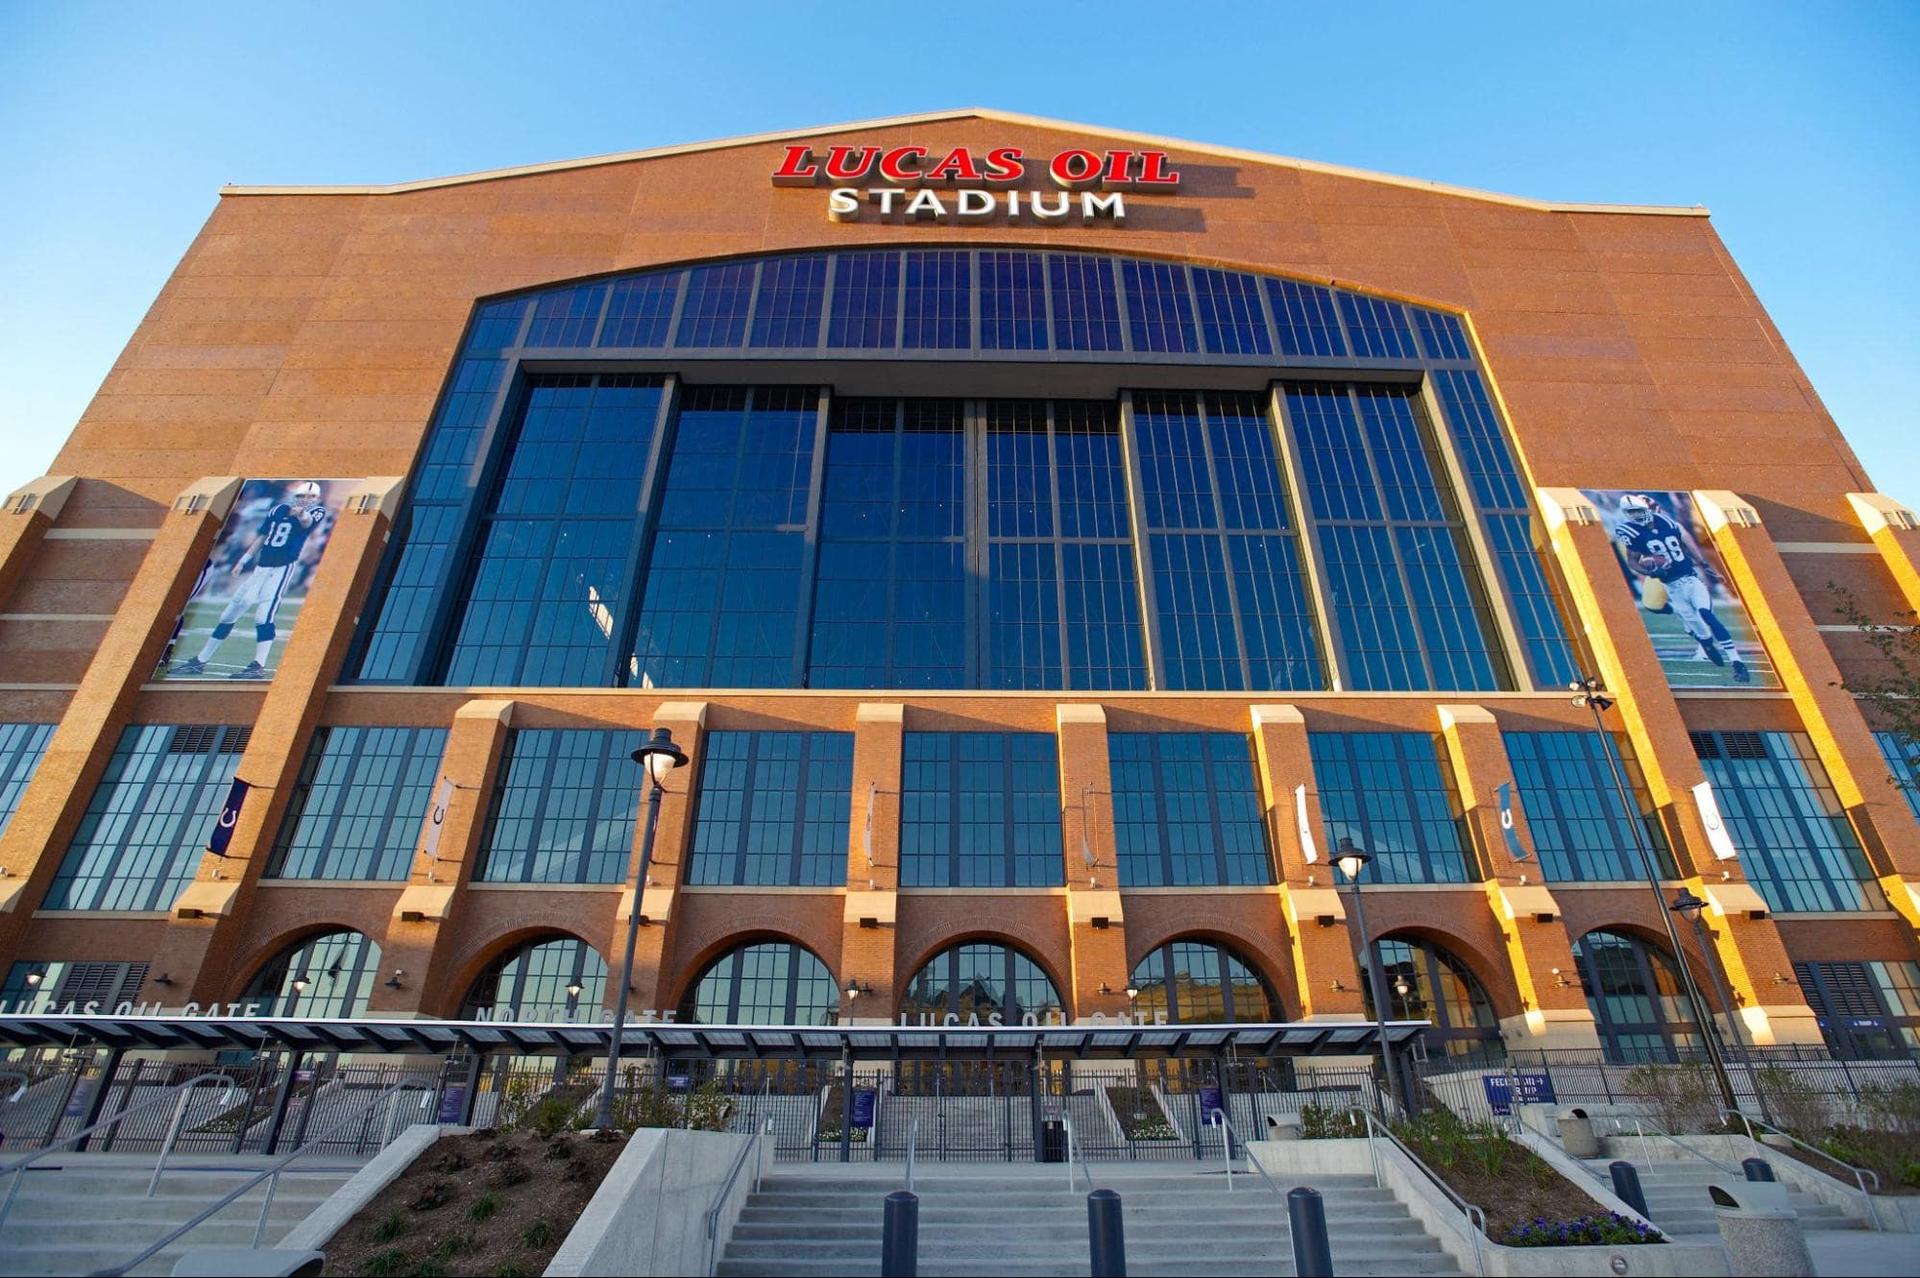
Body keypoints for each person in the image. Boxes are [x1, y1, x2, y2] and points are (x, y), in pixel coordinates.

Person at [171, 482, 327, 679]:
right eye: (303, 496)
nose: (307, 500)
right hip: (261, 567)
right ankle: (200, 661)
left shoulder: (317, 512)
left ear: (317, 499)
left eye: (311, 497)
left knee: (263, 617)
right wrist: (243, 561)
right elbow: (262, 537)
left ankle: (258, 666)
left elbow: (306, 521)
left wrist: (299, 512)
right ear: (295, 496)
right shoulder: (278, 509)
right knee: (229, 613)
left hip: (281, 569)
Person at [1612, 493, 1750, 684]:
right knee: (1695, 626)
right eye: (1632, 512)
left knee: (1706, 615)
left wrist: (1705, 566)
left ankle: (1737, 662)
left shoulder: (1668, 523)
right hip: (1672, 587)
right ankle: (1706, 645)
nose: (1637, 515)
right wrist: (1651, 571)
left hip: (1690, 579)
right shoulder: (1632, 533)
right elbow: (1633, 562)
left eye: (1639, 510)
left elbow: (1687, 545)